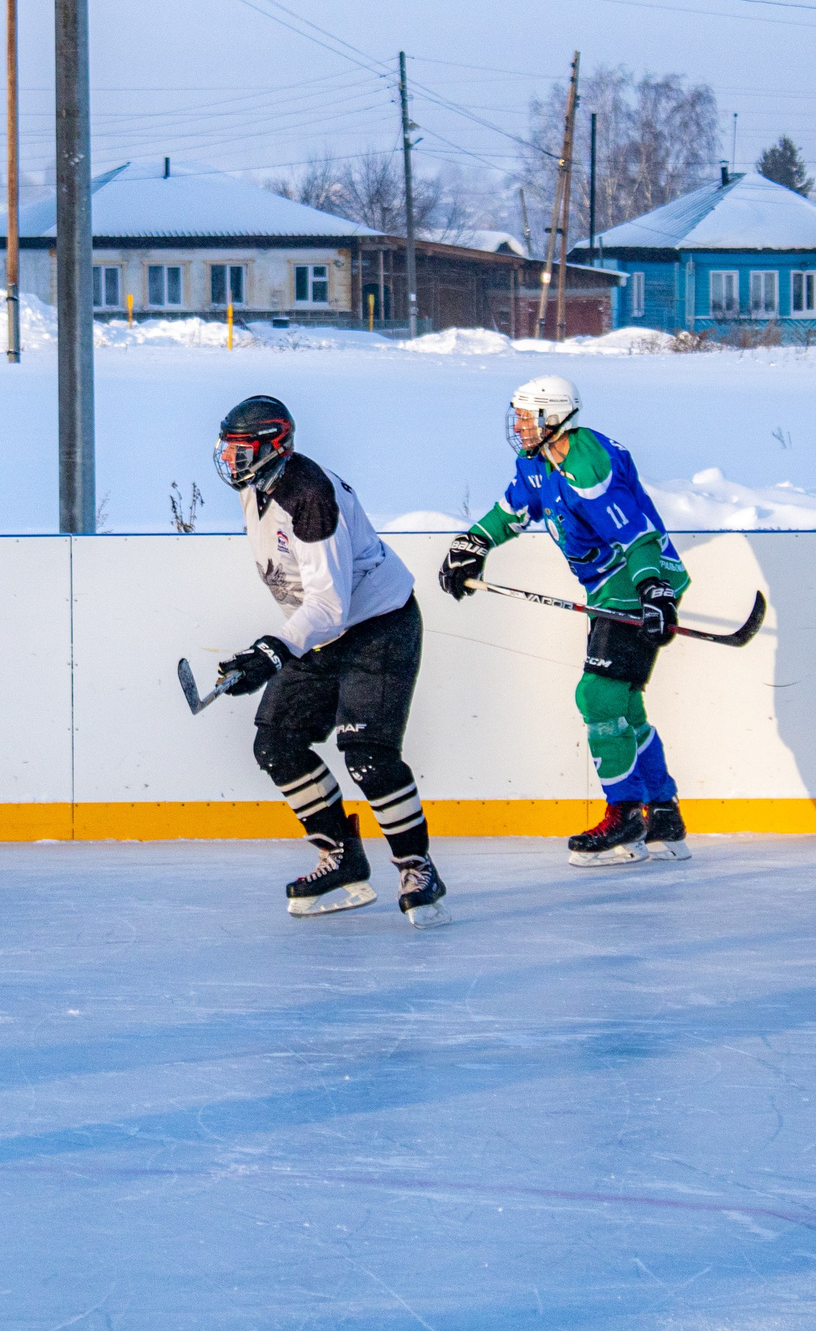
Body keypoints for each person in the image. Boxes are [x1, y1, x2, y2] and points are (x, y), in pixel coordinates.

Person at [211, 395, 447, 926]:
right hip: (322, 633)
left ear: (275, 447)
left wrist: (273, 649)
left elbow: (331, 605)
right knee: (276, 743)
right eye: (226, 448)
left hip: (379, 627)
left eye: (240, 449)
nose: (230, 460)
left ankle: (418, 866)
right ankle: (340, 856)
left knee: (366, 753)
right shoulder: (256, 487)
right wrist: (272, 651)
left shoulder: (311, 495)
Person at [438, 375, 689, 866]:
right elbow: (514, 509)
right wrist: (473, 543)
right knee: (622, 702)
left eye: (526, 417)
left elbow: (635, 535)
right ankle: (663, 814)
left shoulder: (588, 464)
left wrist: (653, 590)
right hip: (608, 586)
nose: (517, 426)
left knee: (596, 696)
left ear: (553, 419)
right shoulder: (535, 461)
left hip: (637, 579)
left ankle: (626, 817)